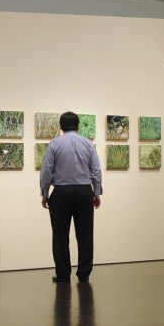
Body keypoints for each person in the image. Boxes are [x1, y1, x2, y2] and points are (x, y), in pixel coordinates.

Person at [40, 112, 102, 283]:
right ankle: (84, 274)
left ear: (60, 126)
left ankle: (62, 274)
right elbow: (96, 170)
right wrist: (96, 192)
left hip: (61, 193)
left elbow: (46, 171)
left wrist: (45, 193)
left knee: (60, 235)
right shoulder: (88, 144)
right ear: (78, 125)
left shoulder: (54, 144)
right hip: (84, 192)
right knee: (85, 235)